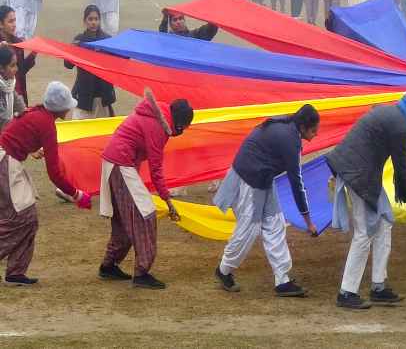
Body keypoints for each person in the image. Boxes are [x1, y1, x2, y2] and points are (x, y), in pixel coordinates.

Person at [327, 91, 406, 309]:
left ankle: (378, 286)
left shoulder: (389, 111)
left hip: (357, 170)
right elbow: (401, 168)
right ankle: (347, 292)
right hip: (359, 174)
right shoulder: (400, 125)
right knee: (365, 232)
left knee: (384, 223)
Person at [215, 105, 320, 296]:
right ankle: (223, 270)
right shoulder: (290, 140)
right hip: (250, 179)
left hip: (261, 177)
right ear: (303, 127)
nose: (315, 135)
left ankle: (282, 280)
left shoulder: (285, 125)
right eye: (313, 131)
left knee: (275, 223)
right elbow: (297, 182)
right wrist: (308, 221)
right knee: (248, 228)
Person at [98, 91, 194, 289]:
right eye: (183, 128)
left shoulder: (156, 117)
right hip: (121, 164)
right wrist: (168, 201)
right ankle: (141, 273)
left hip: (115, 163)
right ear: (179, 123)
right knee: (145, 215)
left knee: (125, 220)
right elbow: (156, 169)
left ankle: (109, 265)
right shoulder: (159, 126)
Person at [0, 82, 90, 286]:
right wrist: (76, 194)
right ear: (61, 108)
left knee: (25, 218)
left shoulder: (37, 113)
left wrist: (27, 147)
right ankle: (15, 270)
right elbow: (54, 173)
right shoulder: (47, 124)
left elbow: (14, 133)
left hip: (7, 159)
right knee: (23, 218)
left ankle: (16, 272)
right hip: (6, 163)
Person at [66, 5, 115, 119]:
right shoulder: (79, 40)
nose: (93, 22)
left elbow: (118, 62)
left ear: (100, 20)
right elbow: (68, 65)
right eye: (90, 19)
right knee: (79, 130)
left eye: (96, 19)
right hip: (84, 95)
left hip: (103, 94)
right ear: (85, 21)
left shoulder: (108, 40)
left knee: (104, 131)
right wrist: (71, 51)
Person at [0, 6, 35, 104]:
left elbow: (20, 71)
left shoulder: (18, 43)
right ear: (1, 24)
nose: (14, 25)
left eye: (15, 21)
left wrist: (33, 54)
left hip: (19, 96)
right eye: (10, 21)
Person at [0, 46, 24, 130]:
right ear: (1, 68)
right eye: (12, 65)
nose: (16, 69)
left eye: (16, 64)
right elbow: (3, 119)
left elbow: (20, 106)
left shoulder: (8, 84)